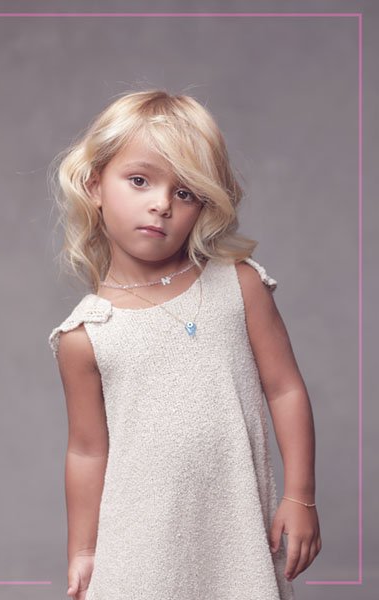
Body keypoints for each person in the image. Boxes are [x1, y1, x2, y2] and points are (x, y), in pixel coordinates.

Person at [47, 89, 322, 600]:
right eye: (139, 180)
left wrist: (300, 495)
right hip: (137, 550)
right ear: (94, 184)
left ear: (204, 205)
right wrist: (83, 550)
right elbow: (87, 450)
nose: (161, 204)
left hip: (236, 535)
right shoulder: (86, 334)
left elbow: (285, 389)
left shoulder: (239, 286)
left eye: (186, 192)